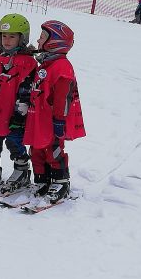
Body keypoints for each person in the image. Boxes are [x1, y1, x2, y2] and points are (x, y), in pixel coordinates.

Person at [23, 21, 86, 204]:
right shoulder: (46, 63)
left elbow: (62, 97)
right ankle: (42, 180)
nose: (38, 39)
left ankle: (60, 181)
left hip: (52, 119)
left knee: (53, 149)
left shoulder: (61, 66)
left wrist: (59, 120)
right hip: (38, 117)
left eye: (42, 37)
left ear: (55, 42)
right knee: (35, 149)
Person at [0, 14, 37, 194]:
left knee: (14, 141)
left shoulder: (27, 62)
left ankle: (21, 170)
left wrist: (22, 108)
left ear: (22, 38)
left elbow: (27, 88)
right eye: (4, 36)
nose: (7, 40)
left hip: (14, 112)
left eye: (12, 36)